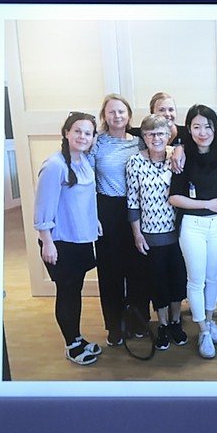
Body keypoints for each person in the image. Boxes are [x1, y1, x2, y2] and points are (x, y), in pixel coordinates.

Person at [33, 111, 103, 365]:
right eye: (77, 131)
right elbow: (43, 208)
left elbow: (83, 199)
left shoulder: (83, 161)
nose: (82, 136)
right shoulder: (55, 165)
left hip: (80, 239)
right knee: (67, 292)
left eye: (88, 132)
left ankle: (77, 337)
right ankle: (71, 344)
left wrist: (92, 220)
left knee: (76, 290)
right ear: (66, 133)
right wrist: (47, 242)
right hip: (60, 242)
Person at [169, 104, 217, 358]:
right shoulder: (183, 158)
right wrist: (206, 204)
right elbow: (174, 198)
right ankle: (203, 330)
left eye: (208, 126)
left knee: (213, 277)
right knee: (196, 279)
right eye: (196, 127)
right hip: (192, 224)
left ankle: (209, 319)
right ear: (189, 129)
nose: (203, 132)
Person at [93, 93, 152, 346]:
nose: (117, 116)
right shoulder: (96, 143)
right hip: (107, 209)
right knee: (110, 271)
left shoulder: (139, 141)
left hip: (138, 210)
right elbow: (84, 179)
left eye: (121, 111)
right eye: (111, 112)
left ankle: (139, 322)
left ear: (129, 115)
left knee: (139, 268)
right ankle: (114, 326)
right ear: (104, 116)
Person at [126, 114, 188, 350]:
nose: (156, 138)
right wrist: (137, 233)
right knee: (158, 284)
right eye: (150, 134)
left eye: (161, 133)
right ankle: (162, 325)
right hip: (149, 236)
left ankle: (175, 322)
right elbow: (132, 201)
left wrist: (179, 148)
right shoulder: (134, 162)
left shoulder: (176, 157)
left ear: (168, 135)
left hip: (177, 234)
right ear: (144, 136)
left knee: (177, 282)